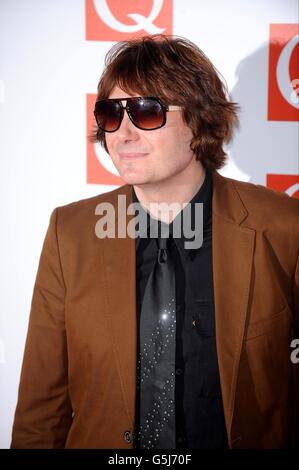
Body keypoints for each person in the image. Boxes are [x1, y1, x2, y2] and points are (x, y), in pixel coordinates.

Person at [11, 35, 298, 449]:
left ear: (199, 120)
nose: (123, 134)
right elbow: (42, 408)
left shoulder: (283, 228)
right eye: (110, 114)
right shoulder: (69, 233)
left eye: (146, 112)